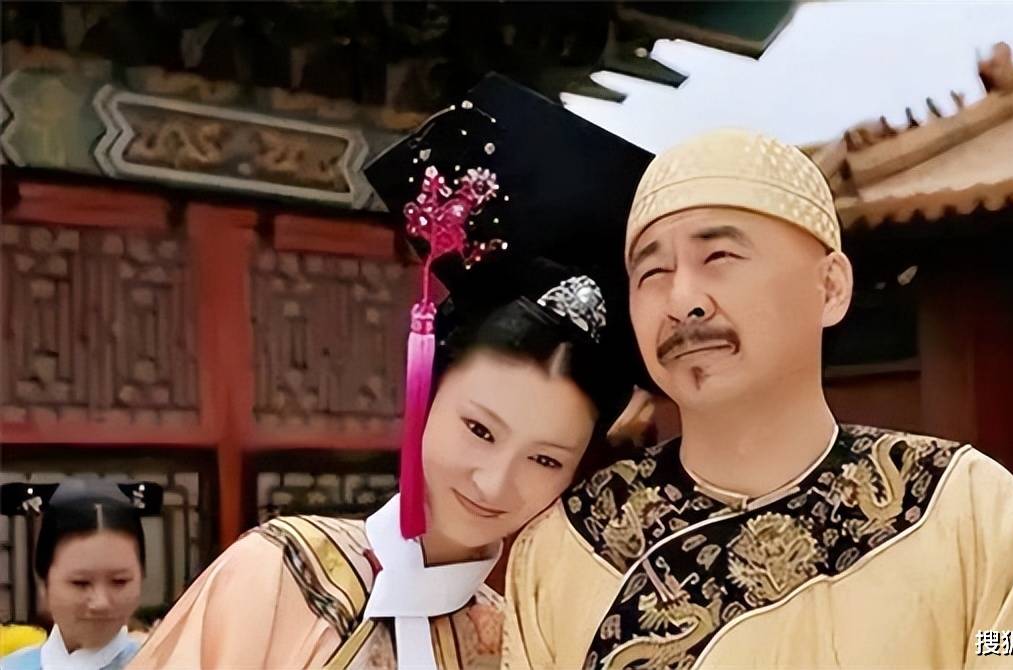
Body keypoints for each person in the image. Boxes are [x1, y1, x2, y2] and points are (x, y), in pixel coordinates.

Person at [502, 128, 1013, 669]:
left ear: (830, 287)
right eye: (652, 273)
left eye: (719, 257)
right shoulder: (567, 545)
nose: (682, 301)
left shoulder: (965, 507)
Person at [128, 74, 651, 670]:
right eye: (480, 429)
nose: (493, 482)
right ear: (426, 393)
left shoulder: (514, 645)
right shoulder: (280, 574)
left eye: (546, 460)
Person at [2, 480, 148, 670]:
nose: (101, 602)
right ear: (44, 583)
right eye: (81, 583)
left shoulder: (165, 663)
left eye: (119, 581)